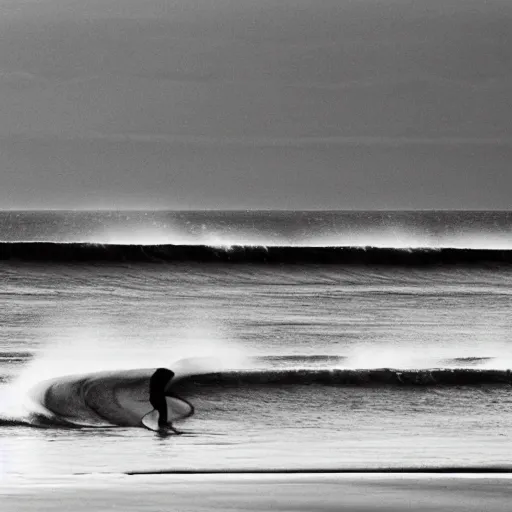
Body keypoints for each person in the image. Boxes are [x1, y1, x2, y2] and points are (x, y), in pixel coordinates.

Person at [149, 368, 181, 434]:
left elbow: (158, 390)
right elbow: (158, 391)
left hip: (154, 398)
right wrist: (171, 394)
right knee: (163, 414)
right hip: (157, 398)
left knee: (163, 414)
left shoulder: (154, 380)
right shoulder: (158, 381)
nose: (169, 379)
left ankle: (164, 428)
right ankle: (163, 429)